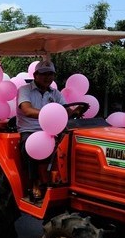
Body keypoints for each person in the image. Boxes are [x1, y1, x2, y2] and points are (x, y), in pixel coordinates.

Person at [16, 60, 84, 200]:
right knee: (32, 146)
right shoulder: (25, 90)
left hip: (52, 130)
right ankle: (34, 183)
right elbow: (27, 110)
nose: (47, 77)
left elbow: (65, 110)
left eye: (50, 74)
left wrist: (75, 111)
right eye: (43, 74)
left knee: (71, 146)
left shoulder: (55, 93)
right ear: (35, 75)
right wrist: (50, 115)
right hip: (30, 129)